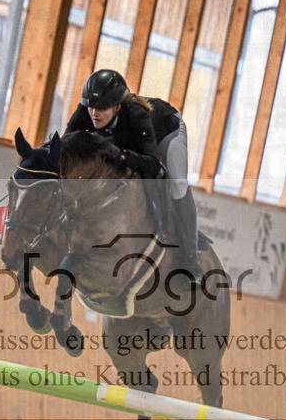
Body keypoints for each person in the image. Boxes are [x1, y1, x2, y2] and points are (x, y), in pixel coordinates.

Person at [65, 69, 202, 282]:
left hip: (166, 131)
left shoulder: (137, 116)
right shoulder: (86, 111)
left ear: (118, 106)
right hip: (133, 142)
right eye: (91, 107)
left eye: (102, 108)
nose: (95, 114)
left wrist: (121, 155)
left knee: (178, 185)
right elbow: (66, 149)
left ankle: (192, 261)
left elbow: (154, 166)